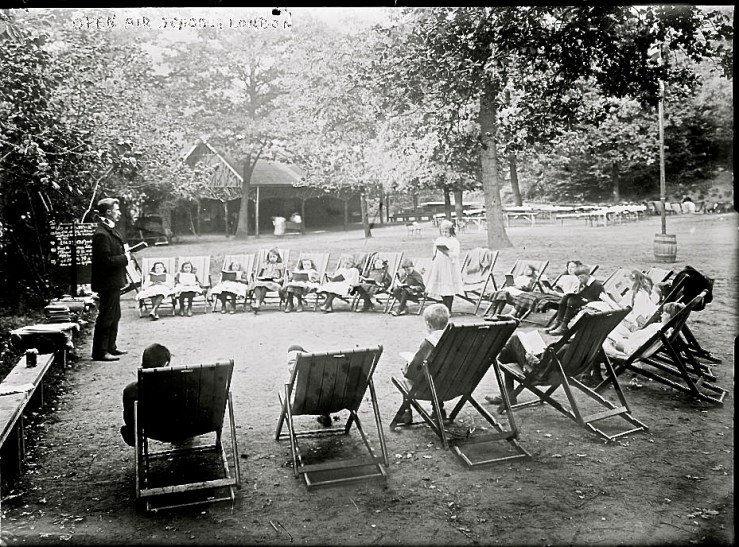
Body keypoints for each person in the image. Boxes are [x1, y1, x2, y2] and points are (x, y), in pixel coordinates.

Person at [396, 303, 450, 425]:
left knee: (406, 373)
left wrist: (406, 368)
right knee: (438, 371)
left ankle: (406, 411)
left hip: (429, 388)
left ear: (428, 324)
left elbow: (415, 370)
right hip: (451, 384)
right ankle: (438, 410)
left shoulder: (429, 343)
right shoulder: (452, 340)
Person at [91, 197, 129, 362]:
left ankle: (110, 347)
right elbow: (104, 261)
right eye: (116, 210)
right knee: (106, 316)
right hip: (107, 282)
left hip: (113, 281)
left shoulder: (109, 229)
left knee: (115, 315)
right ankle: (100, 351)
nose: (119, 213)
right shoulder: (101, 234)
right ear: (108, 212)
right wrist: (125, 258)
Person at [120, 343, 172, 446]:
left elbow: (130, 420)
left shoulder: (131, 390)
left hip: (153, 431)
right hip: (186, 429)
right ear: (165, 365)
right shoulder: (182, 384)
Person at [546, 265, 619, 335]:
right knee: (565, 298)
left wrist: (586, 300)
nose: (579, 279)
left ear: (587, 275)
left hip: (591, 305)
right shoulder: (584, 283)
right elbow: (579, 293)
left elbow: (600, 301)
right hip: (583, 301)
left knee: (572, 301)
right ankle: (558, 322)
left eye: (580, 277)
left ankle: (564, 325)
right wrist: (578, 288)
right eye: (578, 278)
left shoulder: (597, 285)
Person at [286, 345, 332, 427]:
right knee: (322, 387)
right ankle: (325, 415)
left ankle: (300, 354)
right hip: (333, 402)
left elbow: (292, 366)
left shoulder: (294, 364)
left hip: (302, 404)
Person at [425, 220, 463, 313]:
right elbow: (435, 251)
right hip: (440, 266)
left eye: (446, 231)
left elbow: (456, 254)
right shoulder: (439, 240)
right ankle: (444, 306)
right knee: (442, 288)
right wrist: (437, 250)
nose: (444, 233)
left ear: (451, 231)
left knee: (449, 288)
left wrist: (448, 252)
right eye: (443, 232)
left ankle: (448, 308)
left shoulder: (454, 241)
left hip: (450, 266)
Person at [251, 248, 286, 314]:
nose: (272, 258)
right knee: (257, 286)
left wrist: (277, 280)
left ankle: (258, 305)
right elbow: (259, 275)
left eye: (274, 257)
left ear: (277, 258)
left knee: (264, 287)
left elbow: (282, 277)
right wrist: (260, 277)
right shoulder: (265, 265)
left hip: (273, 282)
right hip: (264, 281)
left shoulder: (279, 265)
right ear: (268, 257)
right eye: (270, 257)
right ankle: (257, 304)